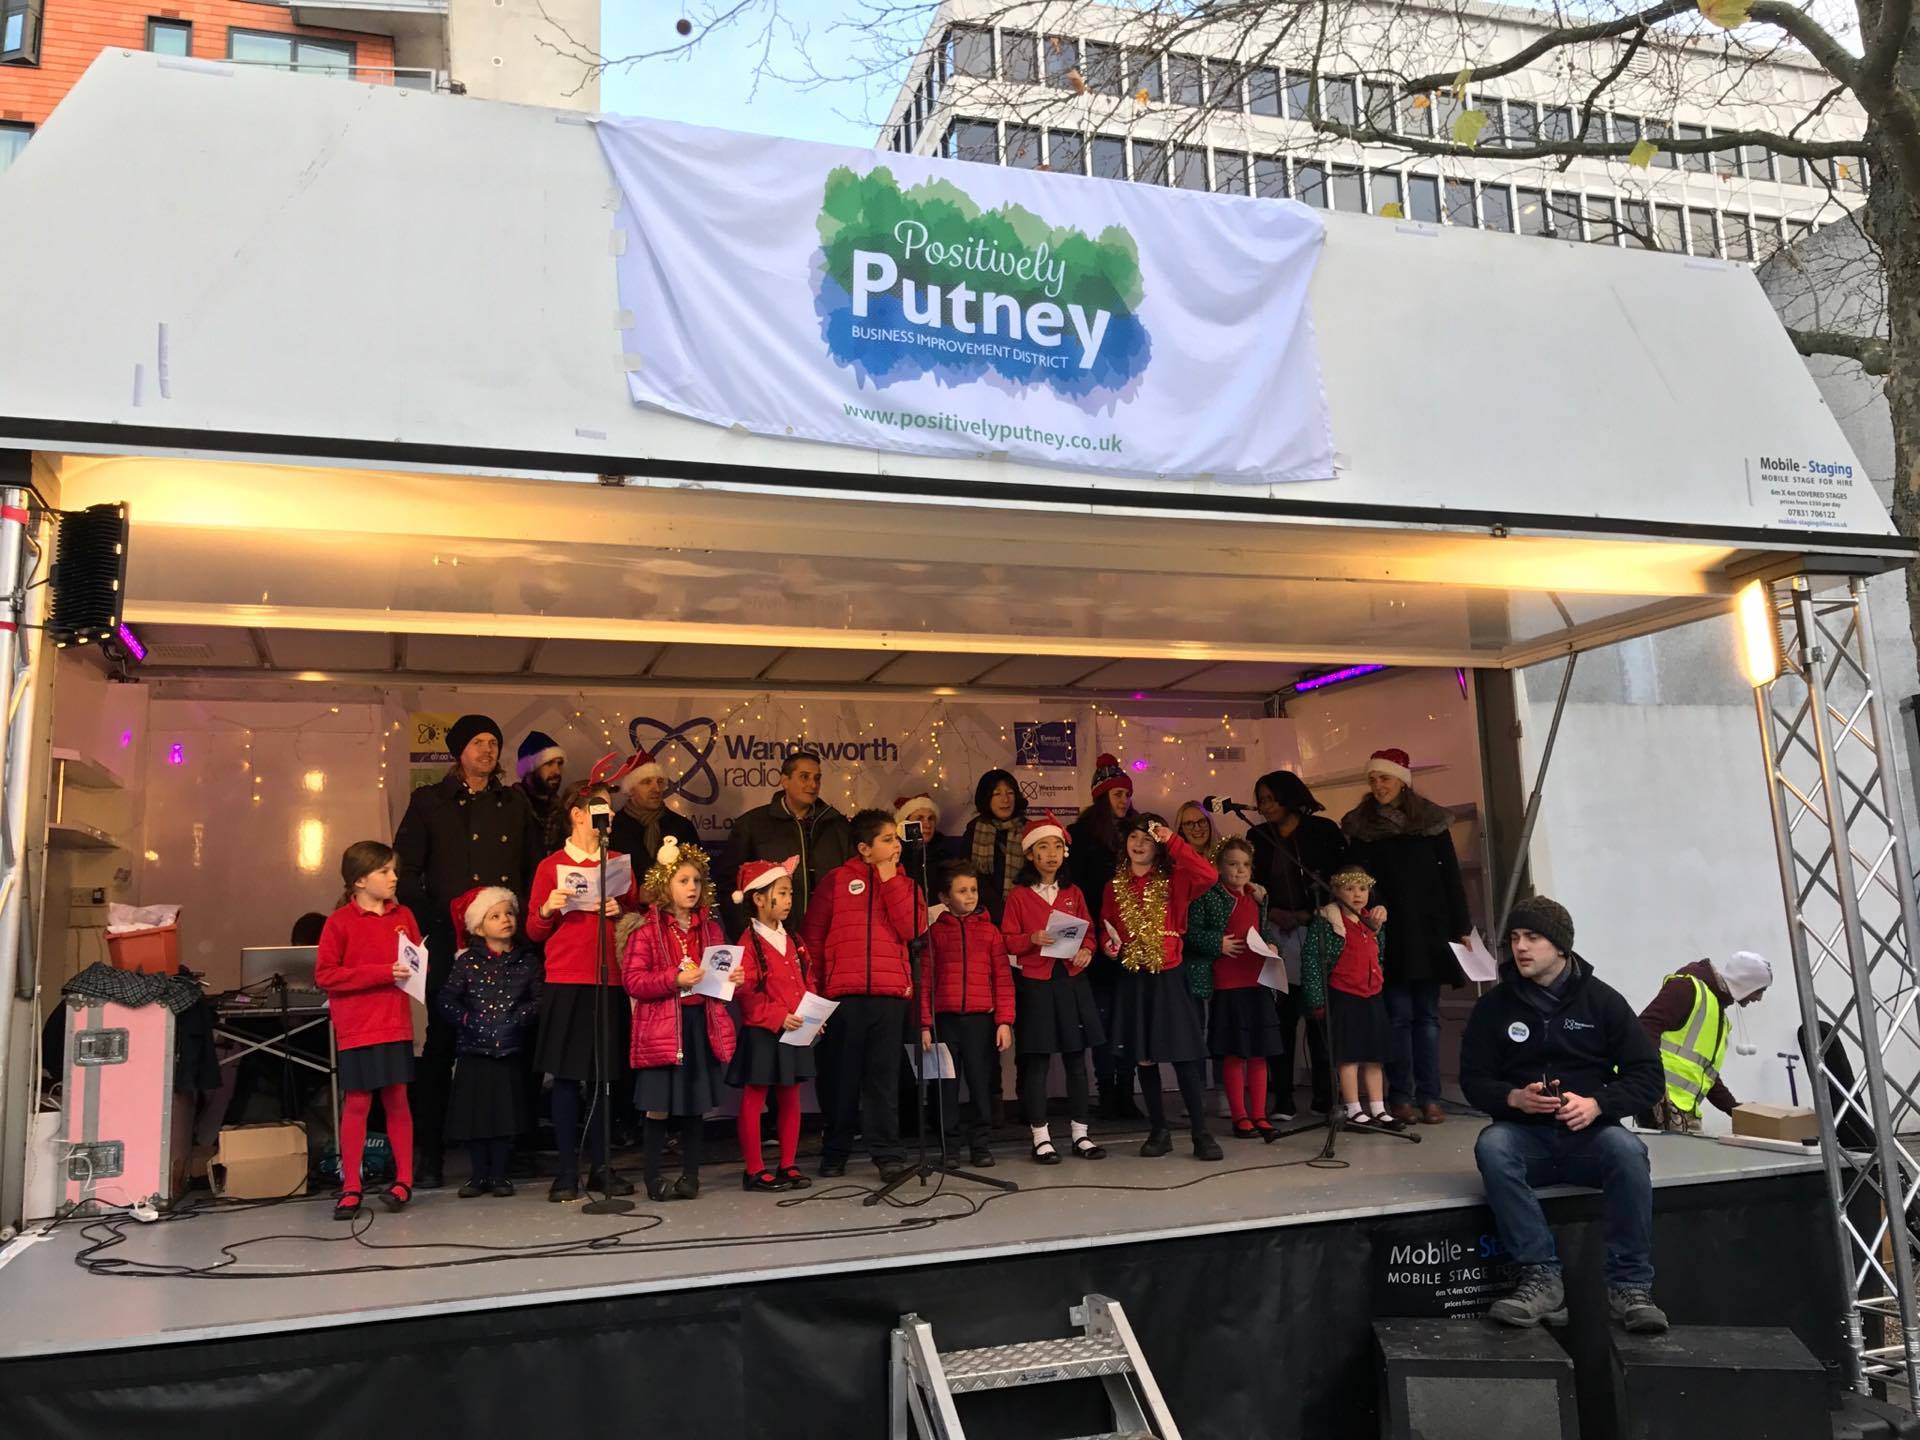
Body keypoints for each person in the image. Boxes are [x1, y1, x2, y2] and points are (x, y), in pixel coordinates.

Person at [1461, 896, 1668, 1334]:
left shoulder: (1604, 1002)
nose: (1520, 947)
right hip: (1526, 1138)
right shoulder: (1494, 1007)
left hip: (1590, 1139)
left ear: (1560, 945)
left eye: (1532, 937)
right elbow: (1473, 1080)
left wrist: (1598, 1104)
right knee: (1493, 1146)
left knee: (1628, 1151)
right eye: (1515, 938)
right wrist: (1513, 1098)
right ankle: (1541, 1277)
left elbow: (1649, 1077)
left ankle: (1630, 1286)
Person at [394, 712, 545, 1188]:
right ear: (459, 751)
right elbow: (406, 872)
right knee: (442, 1044)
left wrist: (521, 923)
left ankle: (515, 1149)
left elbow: (533, 867)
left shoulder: (514, 802)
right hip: (450, 942)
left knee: (518, 1042)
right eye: (477, 742)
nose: (487, 750)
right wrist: (441, 918)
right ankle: (431, 1153)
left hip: (507, 943)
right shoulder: (430, 801)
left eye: (493, 742)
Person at [526, 779, 644, 1202]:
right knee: (565, 1078)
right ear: (577, 815)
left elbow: (634, 916)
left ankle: (601, 1167)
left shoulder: (617, 863)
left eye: (610, 809)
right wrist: (548, 908)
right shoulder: (551, 866)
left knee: (604, 1079)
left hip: (609, 979)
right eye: (600, 808)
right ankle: (565, 1172)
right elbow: (534, 930)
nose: (608, 815)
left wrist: (620, 909)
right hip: (567, 980)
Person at [1341, 749, 1469, 1127]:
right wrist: (1370, 911)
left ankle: (1430, 1096)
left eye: (1385, 778)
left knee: (1427, 1017)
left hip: (1429, 930)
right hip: (1388, 931)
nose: (1378, 786)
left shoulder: (1430, 821)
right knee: (1398, 1017)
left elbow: (1451, 878)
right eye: (1373, 779)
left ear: (1402, 781)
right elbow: (1358, 880)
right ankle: (1400, 1096)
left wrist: (1461, 927)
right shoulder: (1363, 827)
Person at [799, 808, 925, 1179]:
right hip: (843, 996)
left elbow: (912, 929)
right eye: (887, 839)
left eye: (896, 839)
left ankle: (887, 1153)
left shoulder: (906, 884)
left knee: (883, 1080)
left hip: (889, 995)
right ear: (864, 848)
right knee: (840, 1078)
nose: (896, 846)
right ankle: (835, 1151)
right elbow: (813, 937)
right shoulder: (837, 881)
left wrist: (890, 880)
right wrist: (816, 993)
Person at [1105, 815, 1223, 1161]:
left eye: (1148, 838)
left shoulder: (1176, 879)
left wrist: (1173, 840)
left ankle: (1201, 1133)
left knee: (1184, 1055)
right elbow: (1106, 925)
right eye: (1134, 837)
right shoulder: (1114, 886)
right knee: (1144, 1057)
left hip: (1169, 974)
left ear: (1159, 846)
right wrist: (1109, 946)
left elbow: (1210, 875)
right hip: (1134, 976)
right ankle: (1159, 1130)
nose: (1139, 844)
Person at [623, 837, 735, 1202]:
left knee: (693, 1104)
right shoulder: (647, 930)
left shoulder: (710, 929)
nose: (692, 887)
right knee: (658, 1105)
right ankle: (653, 1177)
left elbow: (718, 978)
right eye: (683, 880)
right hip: (663, 1028)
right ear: (665, 885)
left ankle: (691, 1176)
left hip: (698, 1023)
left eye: (697, 881)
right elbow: (634, 981)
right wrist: (674, 978)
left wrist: (732, 977)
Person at [315, 841, 420, 1220]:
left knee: (397, 1099)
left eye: (394, 870)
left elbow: (414, 961)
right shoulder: (339, 922)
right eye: (384, 871)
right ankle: (351, 1186)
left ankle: (404, 1180)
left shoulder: (404, 915)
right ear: (359, 880)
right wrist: (381, 973)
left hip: (395, 1022)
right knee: (358, 1103)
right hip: (358, 1027)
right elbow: (326, 975)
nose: (394, 877)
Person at [1001, 814, 1105, 1164]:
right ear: (1030, 854)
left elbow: (1089, 932)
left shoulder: (1073, 892)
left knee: (1077, 1060)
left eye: (1057, 847)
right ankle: (1041, 1137)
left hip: (1071, 981)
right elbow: (1007, 940)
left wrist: (1087, 949)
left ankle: (1080, 1133)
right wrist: (1030, 938)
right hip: (1036, 984)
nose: (1051, 854)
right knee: (1037, 1061)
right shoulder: (1019, 896)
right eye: (1043, 847)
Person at [1248, 770, 1344, 1119]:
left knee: (1319, 1016)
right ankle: (1283, 1097)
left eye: (1270, 798)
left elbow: (1338, 879)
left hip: (1315, 927)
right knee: (1282, 1019)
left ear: (1289, 797)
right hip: (1276, 932)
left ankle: (1325, 1095)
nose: (1265, 806)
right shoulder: (1257, 835)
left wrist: (1307, 914)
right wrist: (1272, 912)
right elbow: (1251, 883)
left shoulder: (1323, 831)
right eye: (1261, 800)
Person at [435, 887, 541, 1198]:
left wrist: (518, 1018)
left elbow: (540, 999)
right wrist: (468, 1020)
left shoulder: (527, 962)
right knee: (475, 1116)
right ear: (479, 927)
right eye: (495, 916)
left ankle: (499, 1175)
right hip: (474, 1050)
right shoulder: (467, 962)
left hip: (509, 1049)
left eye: (509, 913)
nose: (505, 919)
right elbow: (446, 999)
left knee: (505, 1116)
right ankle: (478, 1174)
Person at [729, 856, 817, 1193]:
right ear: (759, 898)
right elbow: (747, 995)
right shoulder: (747, 942)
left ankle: (788, 1163)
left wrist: (814, 1014)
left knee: (791, 1096)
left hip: (795, 1028)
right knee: (755, 1097)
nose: (788, 899)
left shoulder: (793, 938)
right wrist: (778, 1017)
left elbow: (808, 979)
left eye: (790, 893)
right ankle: (753, 1168)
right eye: (781, 893)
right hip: (764, 1032)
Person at [1189, 838, 1284, 1139]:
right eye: (1232, 864)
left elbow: (1264, 930)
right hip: (1228, 983)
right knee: (1234, 1053)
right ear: (1219, 867)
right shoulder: (1208, 896)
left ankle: (1259, 1114)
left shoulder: (1256, 897)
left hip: (1258, 981)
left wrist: (1272, 945)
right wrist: (1216, 942)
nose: (1240, 870)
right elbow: (1190, 931)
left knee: (1259, 1052)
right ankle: (1240, 1116)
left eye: (1245, 865)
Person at [923, 861, 1015, 1167]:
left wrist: (1004, 1021)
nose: (970, 896)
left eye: (973, 890)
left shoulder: (990, 932)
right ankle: (949, 1147)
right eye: (962, 891)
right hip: (944, 1022)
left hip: (980, 1022)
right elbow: (924, 981)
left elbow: (1002, 978)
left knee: (981, 1084)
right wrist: (924, 1024)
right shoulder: (935, 934)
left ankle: (980, 1145)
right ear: (944, 897)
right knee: (945, 1087)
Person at [1301, 865, 1396, 1128]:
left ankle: (1378, 1107)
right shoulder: (1327, 922)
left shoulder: (1371, 921)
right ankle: (1353, 1107)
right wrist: (1316, 999)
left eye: (1363, 889)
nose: (1357, 894)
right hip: (1344, 995)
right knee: (1349, 1055)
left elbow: (1379, 953)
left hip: (1371, 994)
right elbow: (1312, 961)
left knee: (1374, 1055)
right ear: (1335, 891)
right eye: (1350, 888)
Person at [1637, 950, 1773, 1130]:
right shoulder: (1687, 989)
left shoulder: (1718, 1016)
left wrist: (1733, 1108)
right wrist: (1653, 1086)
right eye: (1760, 990)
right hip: (1661, 1105)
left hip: (1681, 1112)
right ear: (1747, 983)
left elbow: (1707, 1075)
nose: (1759, 998)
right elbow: (1644, 1029)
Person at [1070, 753, 1137, 1120]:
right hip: (1097, 942)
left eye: (1127, 794)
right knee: (1102, 1020)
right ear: (1101, 796)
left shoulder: (1137, 833)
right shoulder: (1081, 837)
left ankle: (1127, 1091)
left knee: (1128, 1021)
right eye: (1117, 794)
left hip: (1134, 941)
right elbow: (1076, 891)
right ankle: (1108, 1092)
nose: (1124, 800)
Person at [721, 750, 853, 932]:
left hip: (829, 935)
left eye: (817, 778)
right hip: (772, 936)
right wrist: (746, 930)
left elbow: (853, 881)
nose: (813, 784)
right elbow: (728, 885)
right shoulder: (752, 824)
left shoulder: (837, 826)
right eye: (804, 777)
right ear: (785, 780)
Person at [609, 747, 699, 868]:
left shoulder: (681, 826)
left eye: (660, 782)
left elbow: (699, 870)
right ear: (631, 789)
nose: (656, 789)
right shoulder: (613, 828)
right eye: (646, 782)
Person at [961, 769, 1029, 925]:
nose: (1005, 799)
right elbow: (968, 873)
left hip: (1022, 911)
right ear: (986, 798)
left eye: (1010, 793)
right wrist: (997, 910)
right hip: (983, 914)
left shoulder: (1029, 830)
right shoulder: (974, 829)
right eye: (997, 794)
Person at [515, 730, 567, 837]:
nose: (557, 771)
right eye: (549, 763)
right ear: (529, 769)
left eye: (559, 763)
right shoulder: (510, 806)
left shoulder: (561, 812)